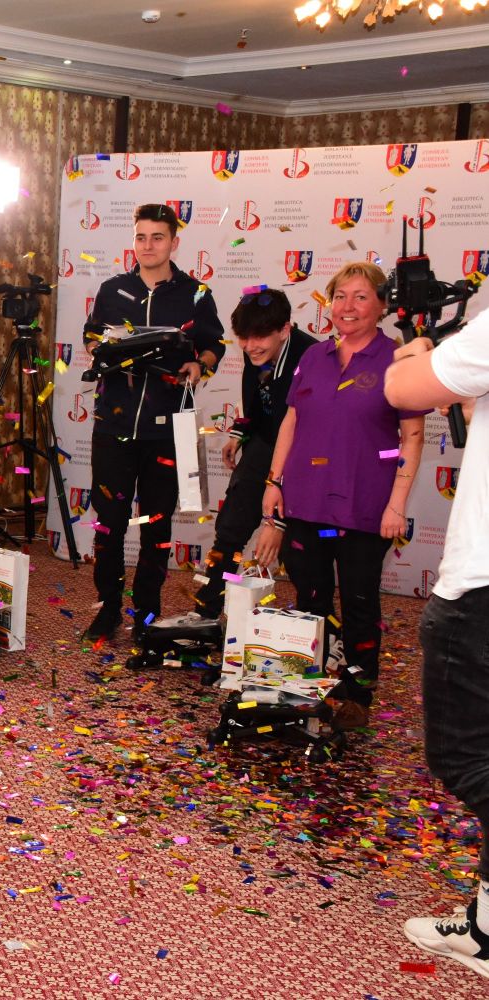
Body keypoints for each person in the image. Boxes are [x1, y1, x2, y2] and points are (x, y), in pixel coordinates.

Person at [254, 261, 425, 730]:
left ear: (382, 306)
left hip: (364, 507)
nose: (348, 306)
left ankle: (358, 693)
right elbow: (291, 422)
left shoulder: (398, 360)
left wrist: (397, 505)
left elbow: (412, 437)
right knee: (311, 598)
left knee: (359, 602)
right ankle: (318, 681)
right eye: (340, 296)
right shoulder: (313, 357)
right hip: (307, 504)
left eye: (361, 296)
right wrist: (274, 481)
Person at [385, 309, 489, 979]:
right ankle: (485, 928)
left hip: (481, 589)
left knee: (464, 757)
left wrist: (420, 353)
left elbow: (404, 389)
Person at [81, 203, 225, 643]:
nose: (148, 246)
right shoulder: (112, 289)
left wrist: (200, 364)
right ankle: (108, 608)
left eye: (157, 238)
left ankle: (146, 612)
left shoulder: (196, 293)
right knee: (109, 522)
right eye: (141, 237)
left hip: (166, 430)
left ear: (174, 243)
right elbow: (91, 336)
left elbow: (214, 344)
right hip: (113, 427)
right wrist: (100, 351)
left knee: (156, 526)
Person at [156, 288, 314, 627]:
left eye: (259, 338)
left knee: (297, 549)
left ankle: (313, 624)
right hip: (264, 444)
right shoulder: (254, 350)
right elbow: (256, 396)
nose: (250, 346)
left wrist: (277, 521)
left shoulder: (311, 357)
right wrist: (240, 433)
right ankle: (207, 609)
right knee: (230, 529)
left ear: (284, 330)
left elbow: (303, 429)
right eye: (243, 338)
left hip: (303, 455)